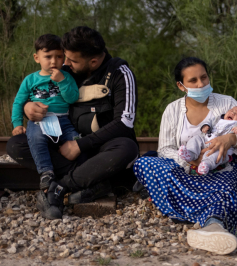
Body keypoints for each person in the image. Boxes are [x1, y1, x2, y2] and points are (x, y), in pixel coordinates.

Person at [133, 57, 237, 255]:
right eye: (193, 81)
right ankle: (207, 217)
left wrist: (231, 141)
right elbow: (165, 150)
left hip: (220, 170)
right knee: (145, 164)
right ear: (181, 85)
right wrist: (189, 159)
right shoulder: (172, 110)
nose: (201, 84)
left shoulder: (227, 103)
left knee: (226, 185)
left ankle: (213, 226)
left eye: (204, 77)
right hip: (188, 172)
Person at [6, 26, 139, 219]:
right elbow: (38, 92)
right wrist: (28, 107)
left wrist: (80, 144)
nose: (65, 63)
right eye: (64, 57)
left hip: (98, 149)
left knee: (127, 147)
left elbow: (124, 123)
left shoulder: (120, 74)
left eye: (71, 60)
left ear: (93, 61)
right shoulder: (65, 70)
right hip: (66, 147)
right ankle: (94, 180)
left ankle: (61, 186)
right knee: (17, 145)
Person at [11, 34, 79, 190]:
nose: (54, 61)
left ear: (64, 57)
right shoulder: (30, 80)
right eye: (48, 56)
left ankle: (82, 169)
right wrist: (17, 124)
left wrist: (61, 81)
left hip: (63, 120)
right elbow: (18, 102)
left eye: (59, 56)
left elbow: (72, 98)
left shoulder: (67, 77)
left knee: (76, 140)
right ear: (37, 58)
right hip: (39, 121)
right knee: (36, 139)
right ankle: (46, 172)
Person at [178, 106, 237, 175]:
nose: (233, 113)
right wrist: (205, 126)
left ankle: (206, 164)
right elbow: (208, 121)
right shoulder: (218, 119)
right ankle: (190, 154)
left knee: (218, 155)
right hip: (206, 140)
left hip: (222, 148)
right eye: (231, 110)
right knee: (195, 139)